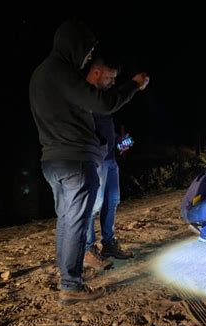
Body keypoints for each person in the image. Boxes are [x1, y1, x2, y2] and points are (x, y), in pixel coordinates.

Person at [29, 19, 149, 305]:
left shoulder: (40, 74)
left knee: (67, 220)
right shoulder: (61, 72)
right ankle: (71, 284)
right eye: (88, 50)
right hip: (75, 161)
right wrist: (133, 85)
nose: (88, 56)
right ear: (74, 44)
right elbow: (103, 103)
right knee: (76, 221)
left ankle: (68, 277)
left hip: (53, 160)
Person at [83, 54, 139, 271]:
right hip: (94, 160)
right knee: (92, 206)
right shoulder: (85, 96)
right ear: (96, 72)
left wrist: (119, 141)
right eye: (110, 77)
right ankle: (88, 249)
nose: (113, 82)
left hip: (110, 159)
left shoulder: (102, 98)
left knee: (112, 201)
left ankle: (108, 243)